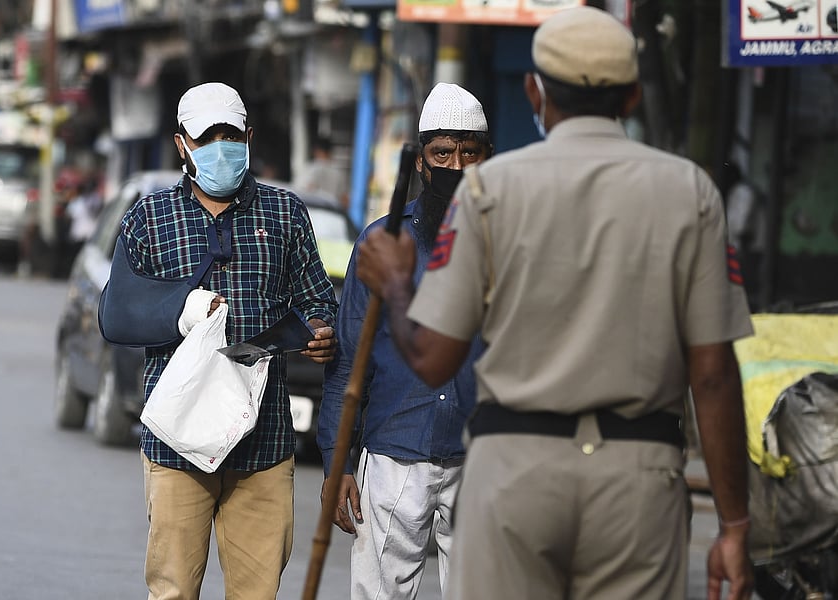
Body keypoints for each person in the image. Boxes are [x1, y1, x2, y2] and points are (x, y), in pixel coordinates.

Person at [355, 8, 755, 600]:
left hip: (516, 472)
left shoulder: (489, 192)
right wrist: (735, 525)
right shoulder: (690, 193)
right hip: (638, 477)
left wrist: (395, 286)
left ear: (534, 91)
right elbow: (715, 375)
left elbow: (433, 357)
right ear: (634, 95)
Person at [99, 81, 338, 600]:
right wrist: (180, 312)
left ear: (249, 137)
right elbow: (116, 315)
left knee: (257, 593)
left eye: (230, 135)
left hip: (265, 444)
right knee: (173, 592)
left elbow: (321, 303)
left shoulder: (286, 214)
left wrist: (321, 334)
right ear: (182, 143)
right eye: (207, 137)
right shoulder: (149, 218)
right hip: (178, 443)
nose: (221, 147)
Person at [317, 82, 493, 599]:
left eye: (469, 154)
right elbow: (348, 365)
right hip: (394, 456)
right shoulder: (380, 244)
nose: (455, 166)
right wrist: (338, 462)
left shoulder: (510, 240)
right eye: (442, 153)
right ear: (421, 162)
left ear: (488, 159)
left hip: (480, 458)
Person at [294, 135, 349, 209]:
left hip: (315, 213)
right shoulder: (338, 173)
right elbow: (345, 201)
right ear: (330, 151)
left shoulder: (311, 169)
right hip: (332, 214)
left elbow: (302, 192)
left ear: (316, 151)